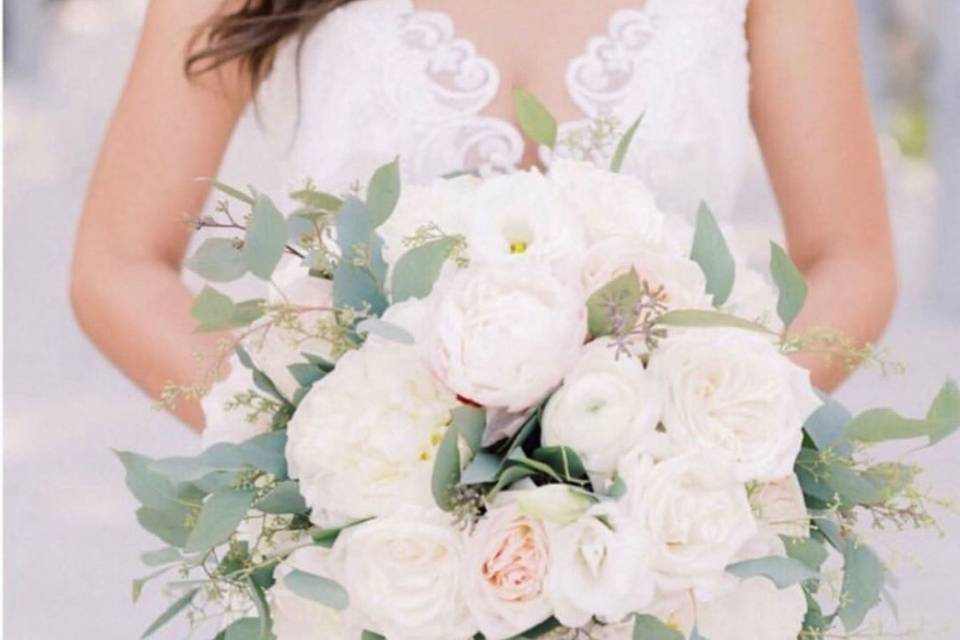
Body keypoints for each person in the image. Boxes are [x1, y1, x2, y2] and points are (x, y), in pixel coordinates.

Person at [71, 0, 897, 430]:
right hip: (380, 580)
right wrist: (322, 455)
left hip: (667, 581)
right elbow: (118, 264)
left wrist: (705, 445)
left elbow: (850, 258)